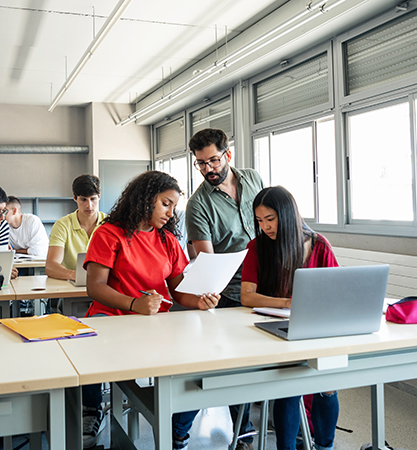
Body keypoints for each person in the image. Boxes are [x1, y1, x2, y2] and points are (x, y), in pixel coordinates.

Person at [82, 170, 220, 449]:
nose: (170, 213)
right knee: (92, 351)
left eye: (174, 206)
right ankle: (91, 409)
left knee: (199, 365)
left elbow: (180, 290)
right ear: (146, 199)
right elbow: (95, 287)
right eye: (166, 203)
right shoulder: (109, 233)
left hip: (154, 323)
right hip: (112, 316)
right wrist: (134, 303)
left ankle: (177, 431)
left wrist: (201, 301)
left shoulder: (167, 240)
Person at [240, 186, 340, 450]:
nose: (265, 227)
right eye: (260, 221)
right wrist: (285, 302)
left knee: (328, 384)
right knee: (288, 385)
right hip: (274, 329)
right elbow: (247, 296)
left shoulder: (319, 245)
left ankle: (325, 446)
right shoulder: (258, 247)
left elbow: (337, 291)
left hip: (316, 328)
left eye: (270, 220)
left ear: (287, 215)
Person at [184, 128, 264, 450]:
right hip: (231, 293)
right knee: (235, 369)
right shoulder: (197, 205)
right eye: (200, 164)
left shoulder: (254, 179)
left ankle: (290, 427)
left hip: (267, 286)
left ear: (227, 155)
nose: (208, 169)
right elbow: (207, 263)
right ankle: (244, 434)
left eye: (213, 161)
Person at [46, 174, 106, 281]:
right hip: (71, 287)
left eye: (93, 199)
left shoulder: (110, 224)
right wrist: (74, 275)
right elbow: (51, 266)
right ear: (74, 198)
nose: (89, 205)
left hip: (104, 285)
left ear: (99, 196)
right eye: (83, 200)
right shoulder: (62, 225)